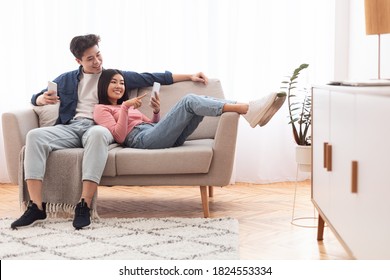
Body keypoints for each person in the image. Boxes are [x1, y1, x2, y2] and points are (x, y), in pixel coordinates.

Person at [11, 34, 209, 230]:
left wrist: (189, 76)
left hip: (100, 126)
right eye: (90, 59)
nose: (97, 62)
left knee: (97, 135)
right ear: (78, 61)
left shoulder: (112, 77)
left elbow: (151, 77)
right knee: (34, 136)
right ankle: (37, 207)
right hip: (72, 126)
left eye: (98, 55)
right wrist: (40, 99)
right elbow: (37, 95)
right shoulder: (66, 80)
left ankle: (85, 205)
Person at [93, 69, 285, 150]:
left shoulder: (127, 106)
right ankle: (247, 109)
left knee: (197, 104)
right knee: (189, 101)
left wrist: (156, 112)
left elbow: (153, 126)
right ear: (103, 85)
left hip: (153, 134)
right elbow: (119, 137)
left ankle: (249, 110)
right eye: (113, 82)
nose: (119, 86)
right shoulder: (101, 109)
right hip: (140, 140)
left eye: (122, 82)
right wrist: (126, 107)